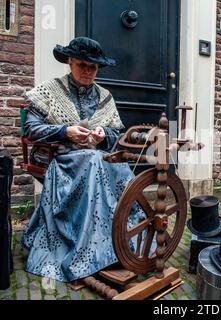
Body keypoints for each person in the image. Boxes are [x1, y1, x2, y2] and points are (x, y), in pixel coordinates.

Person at [21, 37, 146, 282]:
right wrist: (64, 131)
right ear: (69, 62)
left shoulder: (105, 97)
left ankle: (125, 240)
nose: (88, 72)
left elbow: (116, 135)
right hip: (63, 159)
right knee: (94, 162)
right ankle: (94, 252)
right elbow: (30, 128)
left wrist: (103, 135)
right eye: (82, 65)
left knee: (118, 165)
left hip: (97, 157)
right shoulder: (51, 89)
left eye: (93, 67)